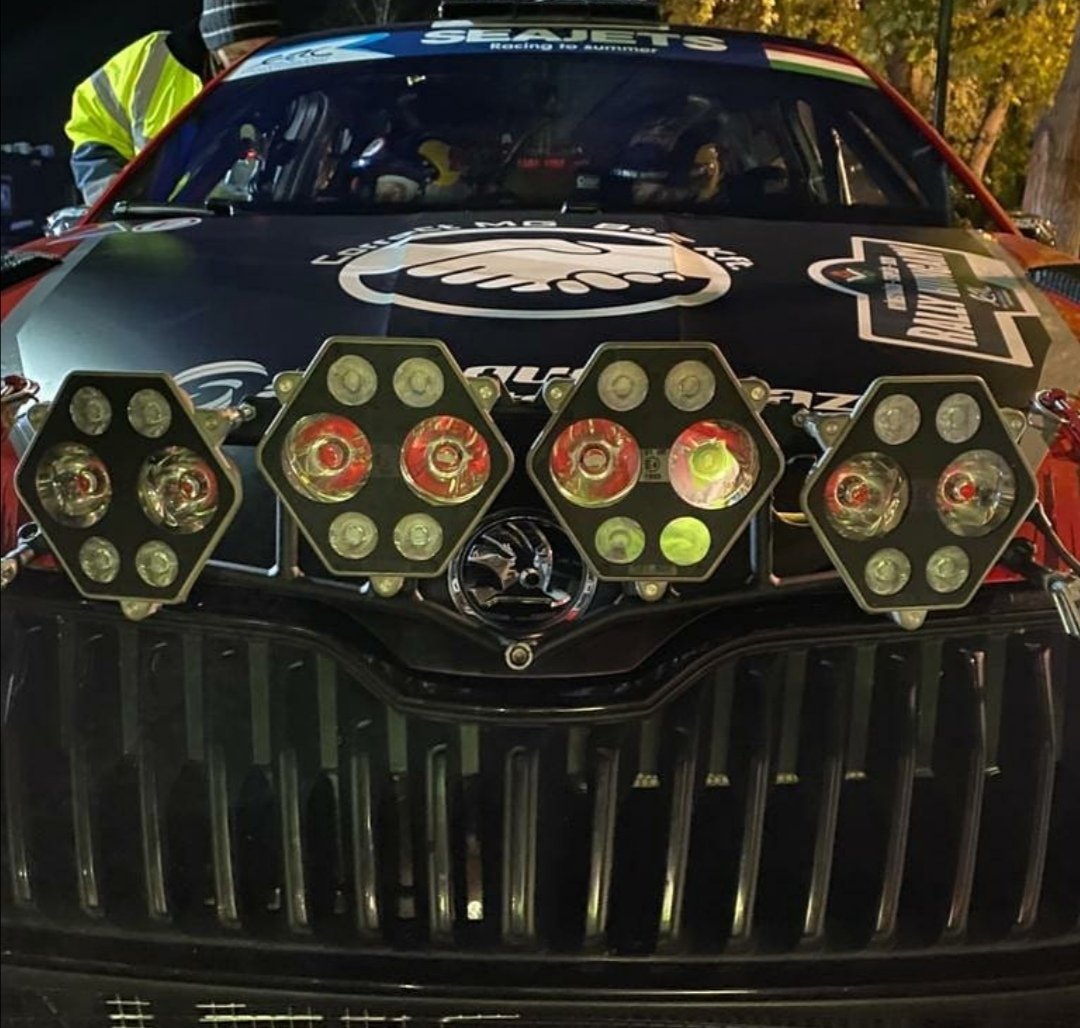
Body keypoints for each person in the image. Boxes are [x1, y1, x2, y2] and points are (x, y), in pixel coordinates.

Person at [64, 1, 282, 204]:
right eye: (237, 55)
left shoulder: (288, 74)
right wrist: (107, 193)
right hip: (149, 224)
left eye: (263, 53)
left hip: (242, 223)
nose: (250, 63)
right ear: (213, 47)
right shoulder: (149, 60)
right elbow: (96, 119)